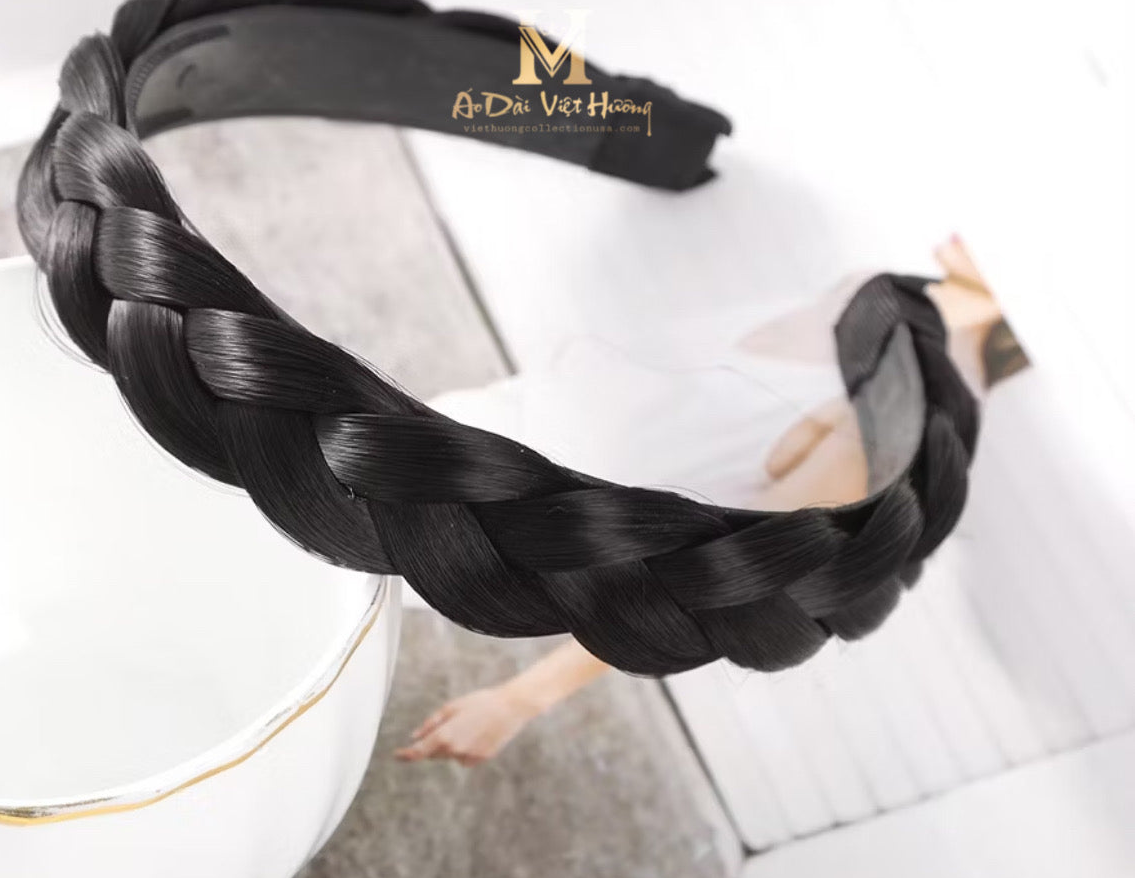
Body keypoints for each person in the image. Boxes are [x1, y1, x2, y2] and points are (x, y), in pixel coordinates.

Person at [396, 237, 1025, 766]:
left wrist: (518, 701)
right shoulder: (878, 294)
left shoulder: (880, 426)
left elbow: (712, 589)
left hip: (488, 529)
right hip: (471, 424)